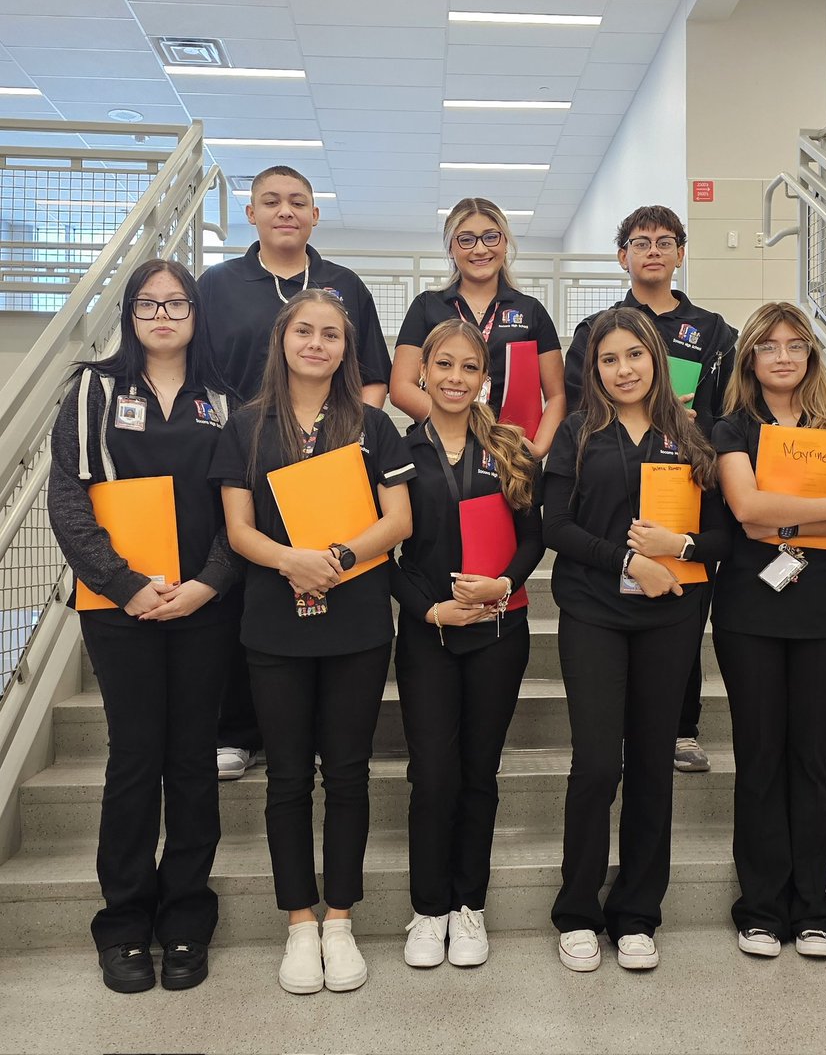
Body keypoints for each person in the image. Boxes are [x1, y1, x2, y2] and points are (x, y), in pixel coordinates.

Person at [210, 288, 414, 995]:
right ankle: (299, 923)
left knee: (348, 774)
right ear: (283, 338)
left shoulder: (373, 425)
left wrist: (338, 561)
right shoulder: (246, 426)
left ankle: (340, 919)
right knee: (289, 778)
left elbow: (398, 522)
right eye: (305, 331)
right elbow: (237, 530)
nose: (317, 343)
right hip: (273, 621)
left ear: (345, 350)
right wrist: (290, 561)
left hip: (356, 622)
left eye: (331, 334)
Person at [47, 258, 241, 994]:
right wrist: (126, 585)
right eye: (147, 304)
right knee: (133, 759)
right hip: (119, 610)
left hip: (202, 606)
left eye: (177, 303)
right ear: (128, 315)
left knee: (191, 759)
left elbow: (242, 506)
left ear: (196, 314)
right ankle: (124, 923)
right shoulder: (93, 390)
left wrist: (206, 585)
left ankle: (187, 917)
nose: (162, 315)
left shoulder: (224, 399)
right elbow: (69, 499)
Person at [544, 307, 730, 973]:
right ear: (593, 370)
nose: (622, 370)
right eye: (607, 360)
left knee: (652, 763)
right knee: (597, 763)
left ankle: (636, 913)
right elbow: (554, 528)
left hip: (672, 614)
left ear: (655, 357)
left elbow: (720, 538)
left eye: (633, 356)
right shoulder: (576, 433)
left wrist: (675, 547)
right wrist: (627, 561)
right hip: (593, 607)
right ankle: (576, 911)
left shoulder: (694, 435)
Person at [199, 165, 393, 780]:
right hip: (248, 452)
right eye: (271, 201)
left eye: (298, 202)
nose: (285, 211)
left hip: (337, 459)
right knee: (245, 586)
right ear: (250, 213)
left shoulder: (343, 284)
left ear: (314, 215)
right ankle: (240, 729)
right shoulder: (218, 284)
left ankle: (316, 731)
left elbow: (372, 376)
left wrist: (349, 446)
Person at [711, 302, 826, 960]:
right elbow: (747, 510)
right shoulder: (731, 428)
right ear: (749, 357)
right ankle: (758, 908)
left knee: (810, 758)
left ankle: (812, 907)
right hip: (749, 614)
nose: (782, 356)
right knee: (758, 758)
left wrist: (797, 519)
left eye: (795, 345)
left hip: (825, 615)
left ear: (810, 355)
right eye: (768, 346)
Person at [564, 205, 738, 774]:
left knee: (680, 599)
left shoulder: (713, 331)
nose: (654, 251)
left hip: (684, 475)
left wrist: (689, 431)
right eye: (641, 242)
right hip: (615, 475)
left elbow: (727, 409)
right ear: (624, 257)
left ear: (681, 253)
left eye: (666, 241)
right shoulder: (596, 328)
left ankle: (680, 727)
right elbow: (579, 401)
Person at [392, 319, 543, 969]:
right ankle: (427, 910)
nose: (455, 378)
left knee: (479, 773)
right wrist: (428, 608)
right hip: (427, 633)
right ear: (422, 373)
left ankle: (467, 906)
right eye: (443, 365)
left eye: (468, 368)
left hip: (498, 633)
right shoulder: (398, 449)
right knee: (431, 776)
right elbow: (387, 552)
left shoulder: (509, 446)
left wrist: (503, 584)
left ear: (485, 379)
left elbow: (534, 538)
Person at [390, 197, 566, 457]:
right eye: (467, 239)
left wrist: (538, 449)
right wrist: (468, 426)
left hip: (509, 453)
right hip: (438, 450)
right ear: (451, 248)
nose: (480, 249)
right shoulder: (427, 306)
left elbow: (556, 396)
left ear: (505, 243)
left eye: (491, 237)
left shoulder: (531, 311)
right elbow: (401, 388)